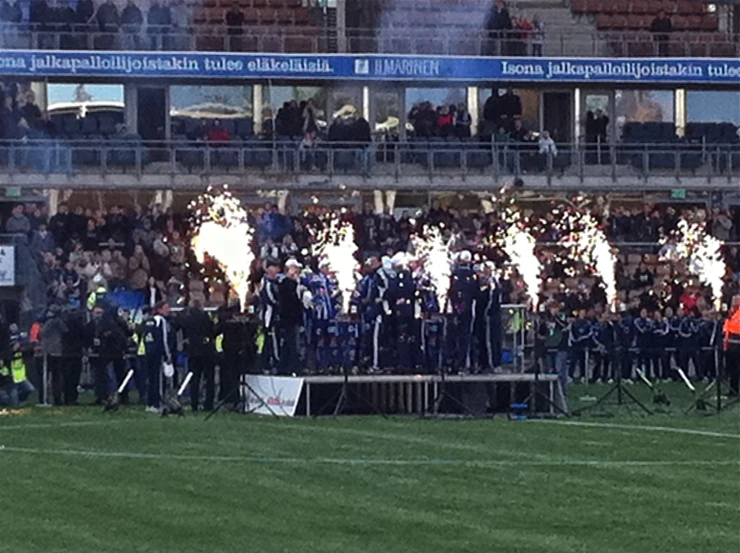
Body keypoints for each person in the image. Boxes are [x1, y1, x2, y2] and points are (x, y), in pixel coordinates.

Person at [177, 298, 215, 411]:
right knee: (209, 379)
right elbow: (212, 330)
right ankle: (208, 404)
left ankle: (194, 403)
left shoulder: (187, 318)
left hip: (193, 351)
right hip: (207, 350)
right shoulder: (206, 317)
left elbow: (179, 325)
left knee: (194, 379)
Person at [139, 301, 172, 412]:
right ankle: (156, 404)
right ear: (159, 309)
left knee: (150, 378)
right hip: (157, 353)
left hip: (147, 351)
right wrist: (168, 355)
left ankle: (149, 403)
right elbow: (163, 339)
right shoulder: (161, 320)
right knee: (157, 379)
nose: (169, 310)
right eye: (166, 307)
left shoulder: (148, 320)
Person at [450, 250, 478, 372]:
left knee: (457, 336)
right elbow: (476, 291)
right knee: (467, 335)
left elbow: (453, 291)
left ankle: (456, 362)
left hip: (458, 307)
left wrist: (456, 306)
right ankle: (465, 363)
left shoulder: (455, 273)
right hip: (468, 307)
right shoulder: (472, 274)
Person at [278, 259, 305, 375]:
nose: (298, 271)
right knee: (292, 343)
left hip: (293, 320)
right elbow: (289, 303)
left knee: (290, 343)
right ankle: (292, 367)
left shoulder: (295, 284)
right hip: (289, 319)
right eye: (295, 268)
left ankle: (285, 367)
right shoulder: (286, 284)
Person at [259, 257, 281, 373]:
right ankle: (269, 363)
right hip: (269, 316)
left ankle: (273, 362)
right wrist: (279, 305)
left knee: (275, 340)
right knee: (270, 340)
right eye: (274, 266)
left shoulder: (277, 281)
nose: (276, 269)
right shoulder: (266, 282)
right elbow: (269, 299)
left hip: (276, 316)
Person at [568, 308, 592, 383]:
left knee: (583, 361)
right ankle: (570, 376)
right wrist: (574, 340)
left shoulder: (588, 323)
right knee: (573, 361)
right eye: (581, 313)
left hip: (583, 345)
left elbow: (590, 333)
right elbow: (571, 333)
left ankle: (583, 376)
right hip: (575, 345)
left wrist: (582, 338)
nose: (582, 314)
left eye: (583, 313)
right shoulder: (574, 323)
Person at [723, 296, 740, 395]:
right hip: (729, 344)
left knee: (737, 369)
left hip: (737, 343)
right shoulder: (730, 312)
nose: (734, 302)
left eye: (736, 300)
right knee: (732, 369)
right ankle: (733, 390)